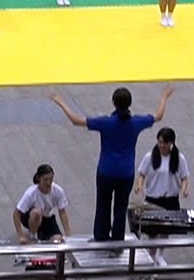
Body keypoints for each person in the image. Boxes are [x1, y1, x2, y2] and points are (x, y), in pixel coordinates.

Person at [51, 86, 174, 242]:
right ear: (129, 103)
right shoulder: (136, 122)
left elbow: (76, 121)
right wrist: (164, 96)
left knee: (103, 206)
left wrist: (61, 102)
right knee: (120, 208)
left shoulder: (106, 122)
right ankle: (117, 239)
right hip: (125, 174)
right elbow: (158, 116)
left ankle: (101, 236)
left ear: (113, 103)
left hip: (106, 172)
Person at [133, 128, 190, 265]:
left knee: (165, 230)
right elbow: (141, 174)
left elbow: (184, 177)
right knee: (152, 232)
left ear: (171, 143)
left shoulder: (179, 158)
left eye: (165, 143)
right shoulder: (150, 157)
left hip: (170, 199)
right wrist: (139, 185)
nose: (162, 145)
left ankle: (159, 255)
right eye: (159, 142)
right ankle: (151, 257)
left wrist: (183, 189)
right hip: (153, 199)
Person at [13, 164, 71, 243]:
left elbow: (62, 212)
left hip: (47, 218)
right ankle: (33, 235)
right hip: (31, 217)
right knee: (37, 212)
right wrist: (21, 236)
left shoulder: (58, 191)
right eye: (45, 180)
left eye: (50, 179)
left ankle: (42, 233)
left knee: (57, 240)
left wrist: (68, 234)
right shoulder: (31, 193)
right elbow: (16, 214)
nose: (48, 183)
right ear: (38, 178)